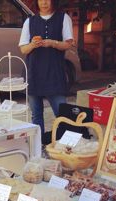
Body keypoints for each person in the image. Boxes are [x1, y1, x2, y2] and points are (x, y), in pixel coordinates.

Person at [19, 0, 74, 146]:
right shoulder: (29, 22)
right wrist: (32, 44)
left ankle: (65, 148)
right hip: (34, 73)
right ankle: (39, 147)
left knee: (63, 115)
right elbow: (23, 49)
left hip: (54, 73)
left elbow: (68, 43)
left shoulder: (63, 18)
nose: (44, 2)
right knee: (36, 115)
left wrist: (53, 43)